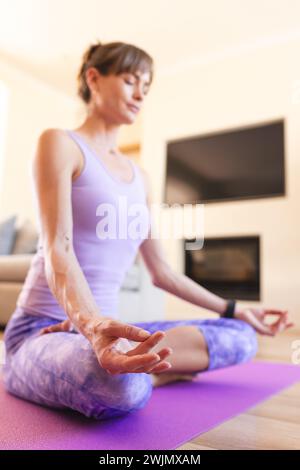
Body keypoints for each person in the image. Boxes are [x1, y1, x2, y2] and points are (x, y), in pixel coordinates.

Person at [3, 41, 293, 420]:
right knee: (119, 383)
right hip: (42, 332)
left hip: (108, 334)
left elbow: (163, 273)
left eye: (146, 85)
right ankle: (138, 374)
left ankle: (139, 368)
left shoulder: (140, 177)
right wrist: (89, 325)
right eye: (129, 80)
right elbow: (59, 247)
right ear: (94, 78)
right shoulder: (60, 143)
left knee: (241, 339)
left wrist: (235, 309)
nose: (141, 93)